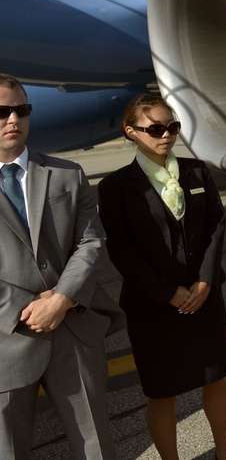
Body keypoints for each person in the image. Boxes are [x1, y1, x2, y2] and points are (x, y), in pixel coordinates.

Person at [98, 95, 226, 460]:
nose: (166, 135)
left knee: (216, 377)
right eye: (156, 129)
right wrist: (168, 293)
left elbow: (216, 225)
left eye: (172, 127)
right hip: (153, 305)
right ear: (131, 132)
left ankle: (224, 453)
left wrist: (206, 280)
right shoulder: (116, 186)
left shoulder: (196, 171)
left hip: (204, 295)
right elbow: (122, 252)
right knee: (162, 391)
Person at [0, 73, 123, 459]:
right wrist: (26, 307)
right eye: (2, 112)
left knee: (95, 446)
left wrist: (62, 299)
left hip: (72, 330)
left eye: (22, 110)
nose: (13, 120)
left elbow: (91, 242)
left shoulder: (67, 174)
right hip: (5, 337)